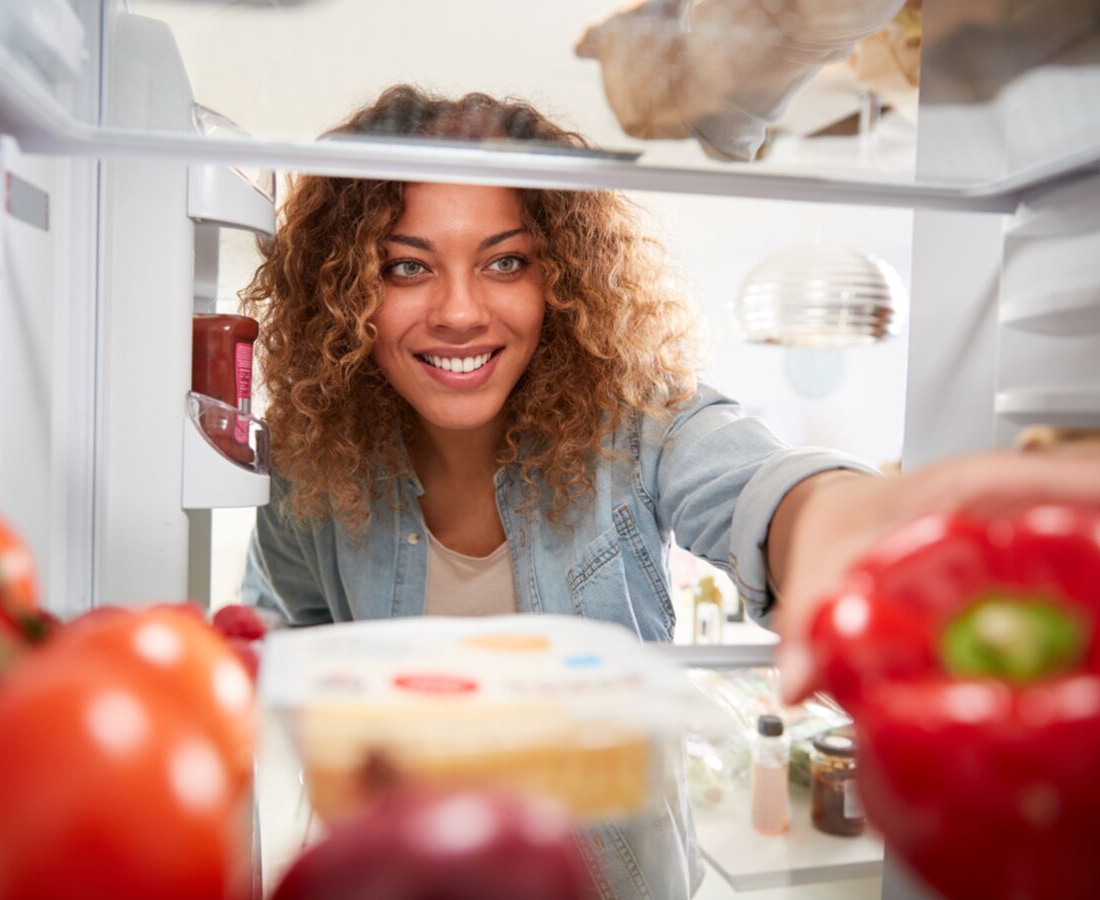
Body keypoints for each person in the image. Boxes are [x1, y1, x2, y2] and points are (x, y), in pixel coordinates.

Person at [240, 84, 1100, 898]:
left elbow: (759, 486)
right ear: (342, 291)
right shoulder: (314, 468)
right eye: (405, 268)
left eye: (506, 262)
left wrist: (850, 515)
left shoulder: (637, 424)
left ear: (562, 281)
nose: (461, 311)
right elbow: (297, 634)